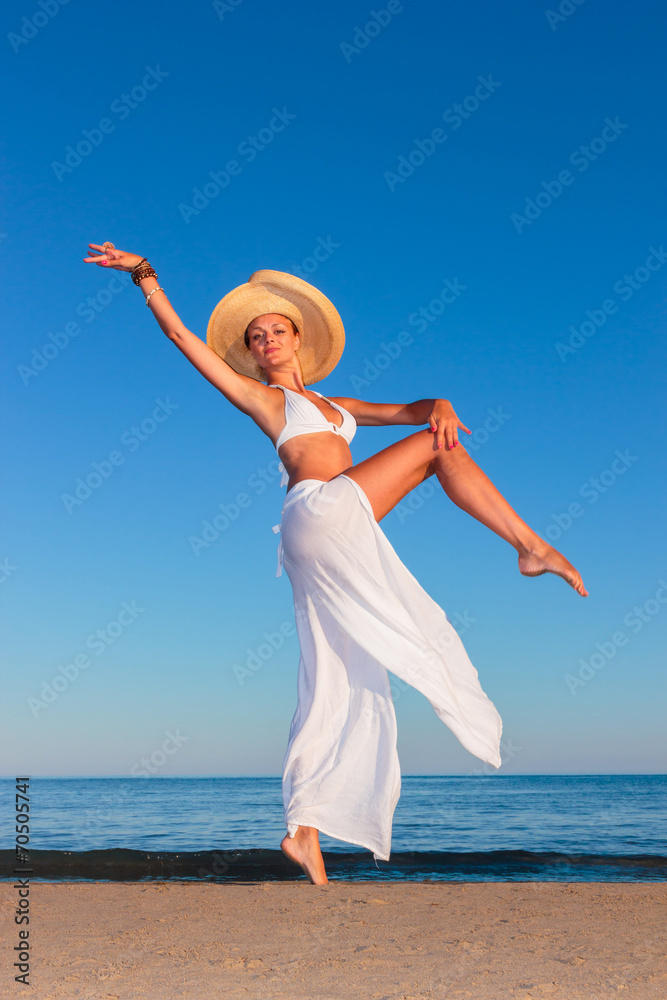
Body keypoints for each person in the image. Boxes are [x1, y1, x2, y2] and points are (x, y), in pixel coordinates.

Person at [83, 243, 588, 885]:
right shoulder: (264, 400)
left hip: (331, 532)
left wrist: (440, 402)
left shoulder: (337, 407)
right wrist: (144, 276)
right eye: (256, 336)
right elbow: (185, 337)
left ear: (298, 339)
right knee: (435, 454)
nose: (267, 341)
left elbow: (414, 412)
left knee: (341, 674)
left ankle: (304, 832)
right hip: (317, 511)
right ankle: (528, 545)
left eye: (277, 331)